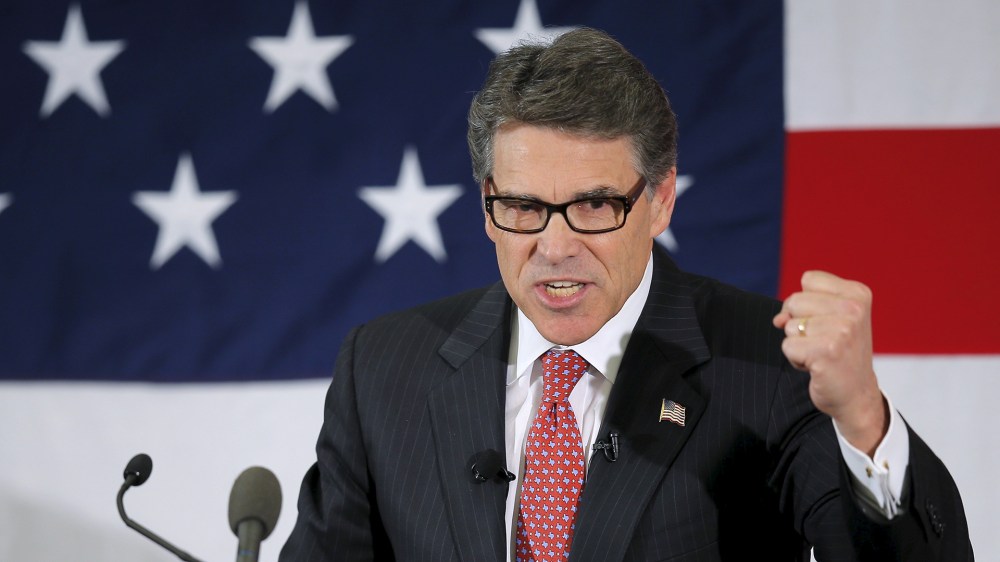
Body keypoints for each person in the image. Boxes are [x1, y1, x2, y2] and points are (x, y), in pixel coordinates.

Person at [280, 28, 971, 561]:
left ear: (660, 200)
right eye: (523, 206)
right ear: (487, 200)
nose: (554, 246)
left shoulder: (766, 364)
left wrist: (861, 418)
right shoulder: (384, 367)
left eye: (594, 205)